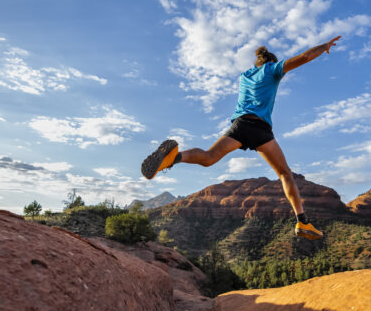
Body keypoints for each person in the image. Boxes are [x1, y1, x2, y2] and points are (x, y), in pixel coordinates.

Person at [141, 35, 342, 240]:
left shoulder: (245, 76)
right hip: (260, 129)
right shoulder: (271, 69)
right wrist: (323, 46)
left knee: (209, 157)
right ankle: (302, 221)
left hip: (239, 125)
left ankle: (174, 157)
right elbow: (305, 57)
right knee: (285, 174)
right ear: (271, 61)